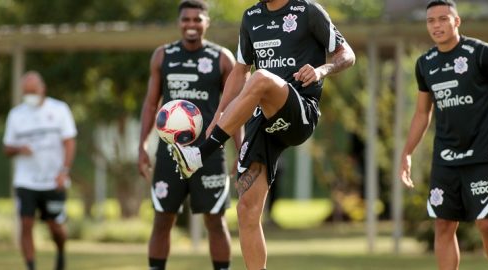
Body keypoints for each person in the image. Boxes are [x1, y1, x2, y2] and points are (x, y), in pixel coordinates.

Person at [170, 0, 355, 269]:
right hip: (263, 120)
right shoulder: (251, 17)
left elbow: (346, 54)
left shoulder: (308, 11)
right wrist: (219, 115)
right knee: (246, 210)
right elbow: (239, 70)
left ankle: (199, 155)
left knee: (261, 78)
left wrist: (321, 70)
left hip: (300, 111)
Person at [399, 1, 488, 270]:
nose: (437, 25)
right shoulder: (425, 64)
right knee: (443, 224)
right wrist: (407, 152)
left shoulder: (480, 54)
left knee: (487, 223)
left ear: (457, 22)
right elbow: (422, 113)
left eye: (443, 19)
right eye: (431, 21)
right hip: (445, 159)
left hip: (481, 155)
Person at [137, 1, 240, 270]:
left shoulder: (222, 58)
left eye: (197, 19)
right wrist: (142, 145)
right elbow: (150, 104)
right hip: (170, 153)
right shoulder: (163, 55)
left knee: (215, 220)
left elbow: (234, 109)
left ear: (207, 22)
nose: (191, 25)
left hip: (209, 152)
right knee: (162, 218)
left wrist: (241, 151)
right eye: (186, 19)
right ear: (179, 22)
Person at [3, 71, 77, 270]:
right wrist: (19, 149)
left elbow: (69, 142)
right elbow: (7, 148)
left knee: (55, 227)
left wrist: (64, 171)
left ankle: (61, 252)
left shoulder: (60, 110)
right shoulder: (16, 115)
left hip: (53, 180)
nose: (30, 96)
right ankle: (31, 266)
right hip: (26, 180)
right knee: (26, 224)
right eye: (26, 92)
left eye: (33, 91)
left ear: (42, 89)